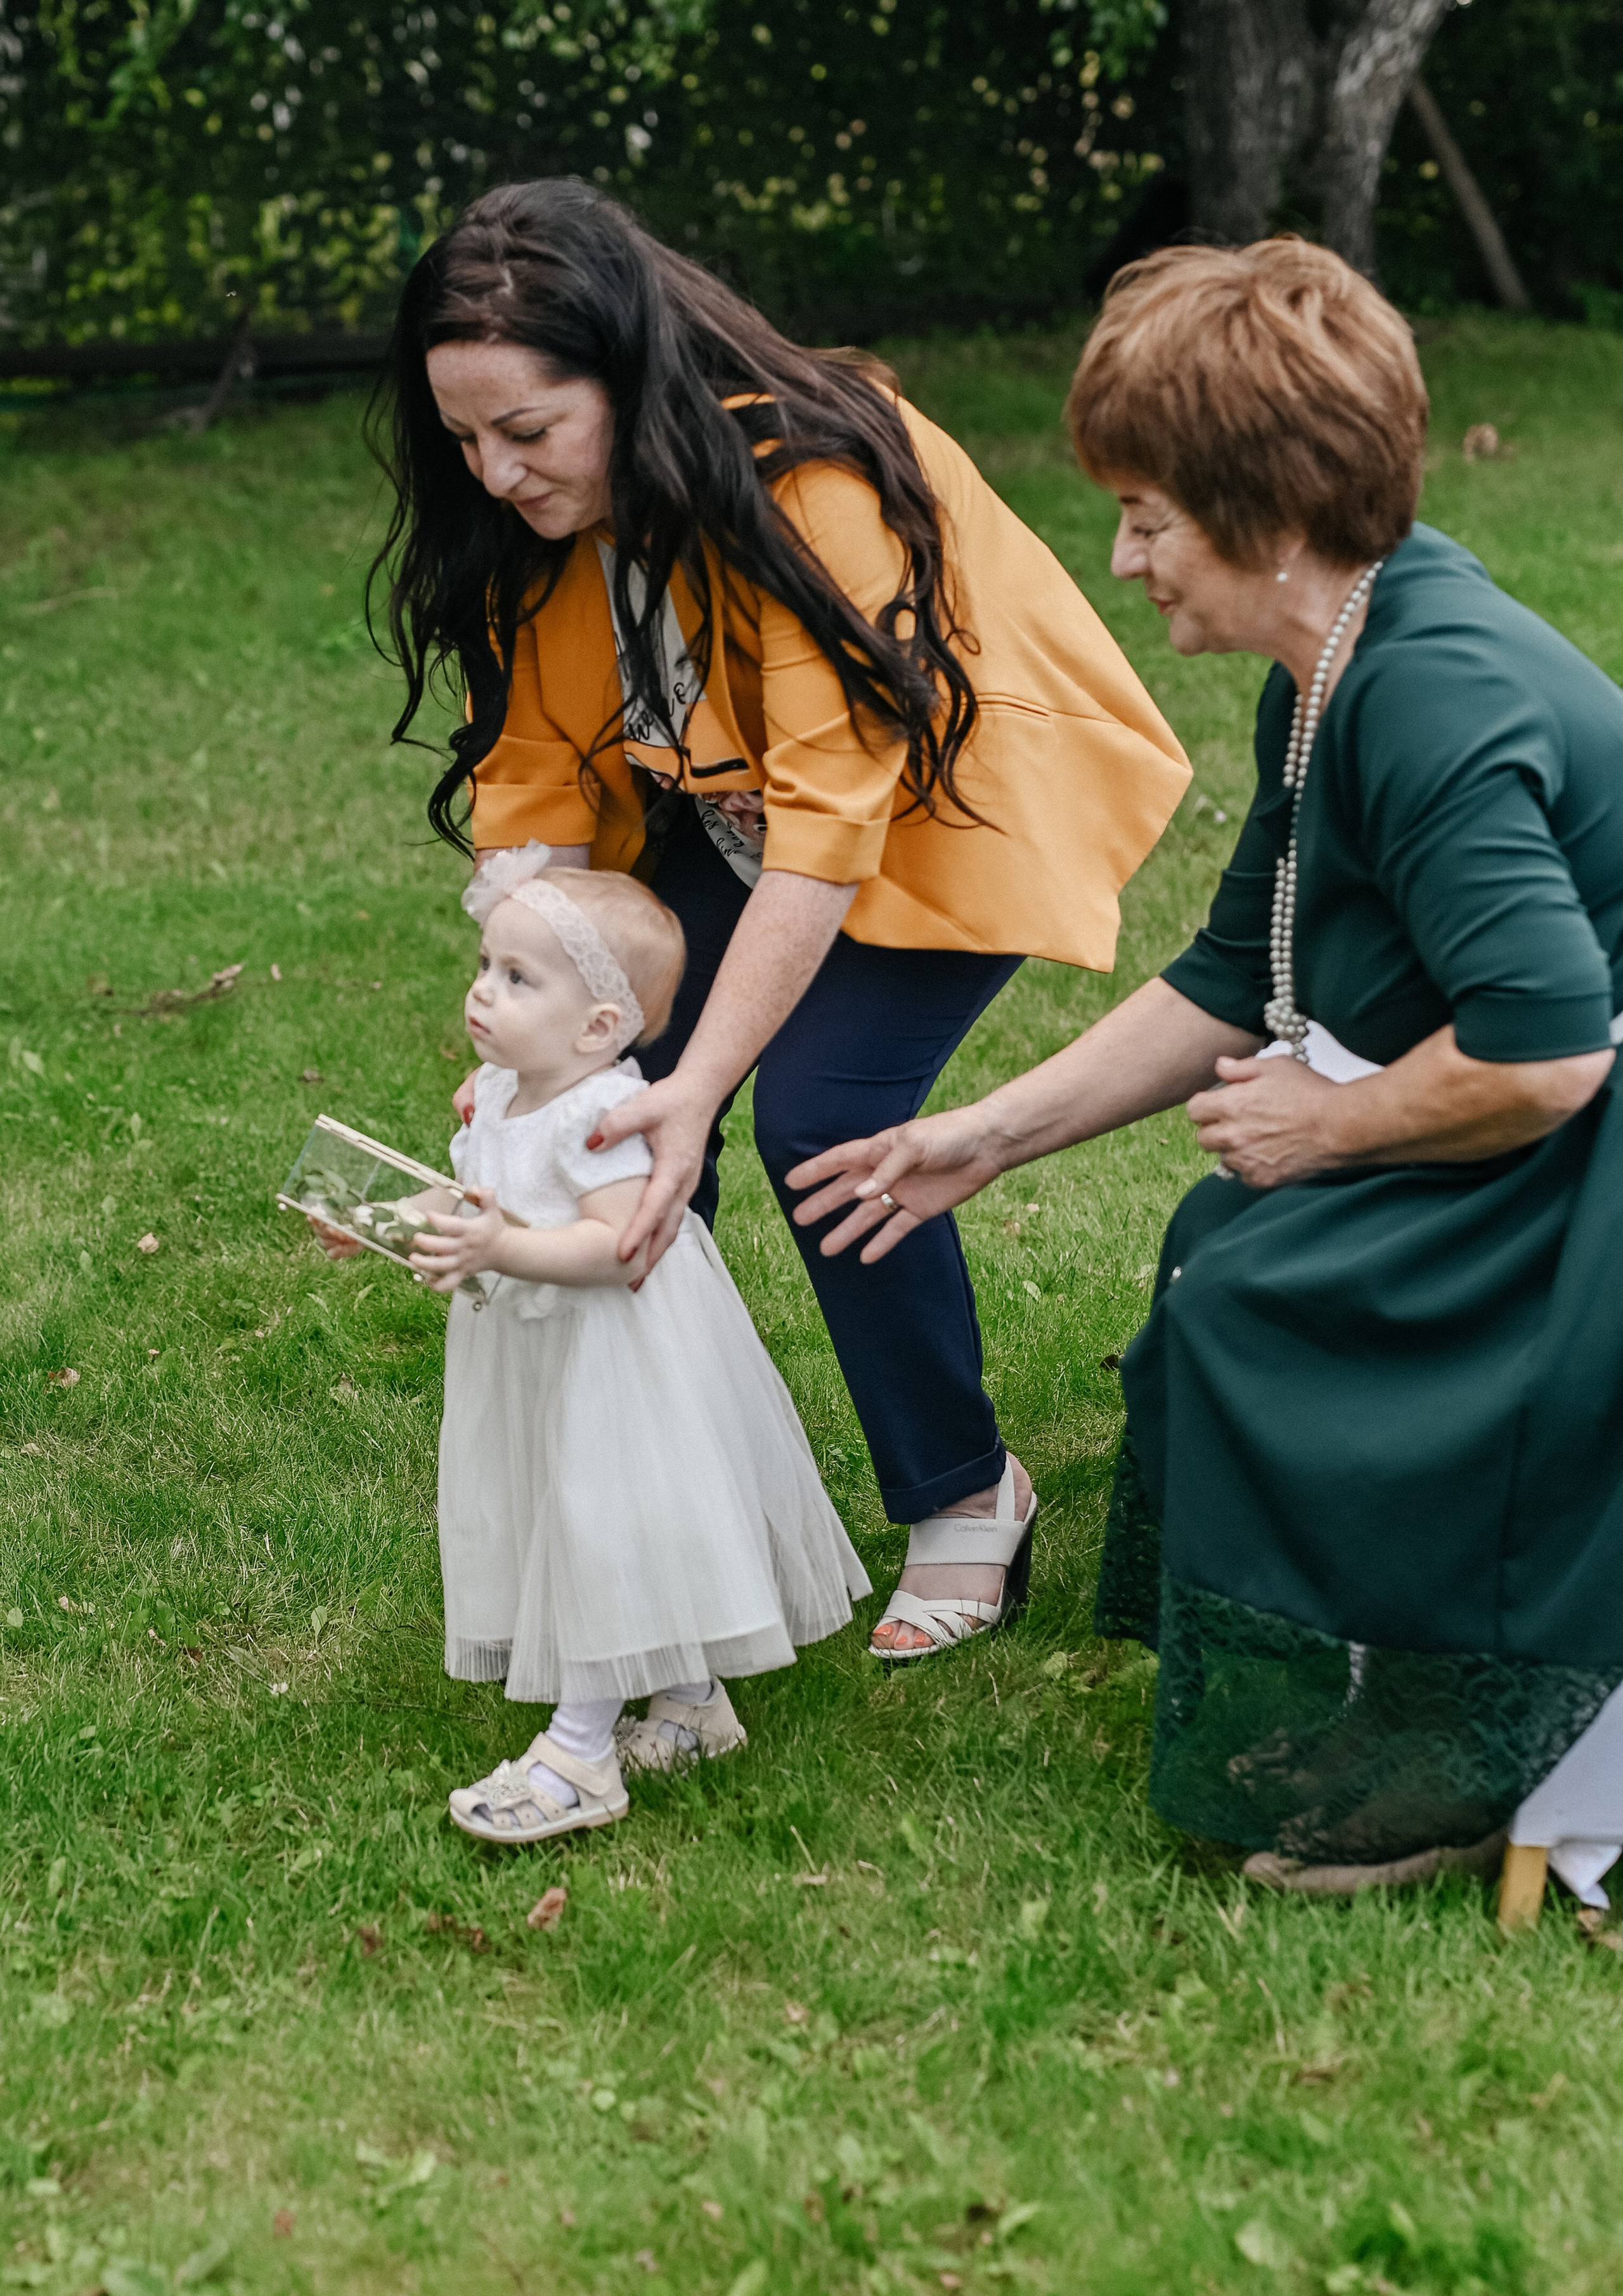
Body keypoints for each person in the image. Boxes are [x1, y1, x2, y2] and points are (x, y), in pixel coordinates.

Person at [789, 238, 1623, 1897]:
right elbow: (1240, 965)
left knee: (1265, 1304)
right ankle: (1374, 1683)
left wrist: (1332, 1123)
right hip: (1542, 1106)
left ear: (1274, 514)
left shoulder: (1433, 699)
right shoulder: (1325, 670)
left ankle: (1470, 1748)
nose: (1123, 556)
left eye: (1153, 516)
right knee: (1224, 1265)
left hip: (1587, 1150)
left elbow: (1547, 1053)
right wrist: (988, 1135)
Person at [371, 178, 1191, 1664]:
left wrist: (699, 1083)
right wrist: (543, 1039)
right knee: (608, 1122)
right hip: (732, 814)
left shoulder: (812, 478)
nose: (491, 474)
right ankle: (666, 1518)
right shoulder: (539, 526)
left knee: (816, 1120)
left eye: (528, 432)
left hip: (930, 814)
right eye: (462, 439)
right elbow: (537, 777)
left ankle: (963, 1493)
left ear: (627, 378)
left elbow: (830, 822)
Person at [313, 855, 869, 1844]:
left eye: (520, 978)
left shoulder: (600, 1117)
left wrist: (502, 1248)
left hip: (615, 1357)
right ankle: (693, 1702)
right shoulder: (499, 1089)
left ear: (599, 1026)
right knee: (568, 1519)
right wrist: (383, 1215)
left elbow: (619, 1247)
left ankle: (580, 1755)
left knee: (596, 1531)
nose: (484, 988)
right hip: (536, 1352)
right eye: (487, 963)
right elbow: (473, 1198)